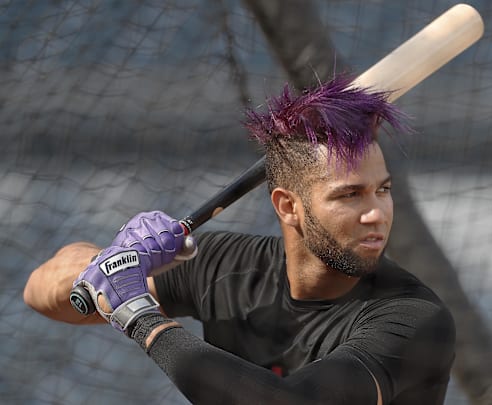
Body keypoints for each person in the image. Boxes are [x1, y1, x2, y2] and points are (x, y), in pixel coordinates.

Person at [23, 75, 456, 405]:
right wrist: (110, 264)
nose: (376, 212)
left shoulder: (415, 320)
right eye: (349, 194)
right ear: (287, 206)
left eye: (383, 189)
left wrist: (139, 316)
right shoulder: (223, 265)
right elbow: (40, 292)